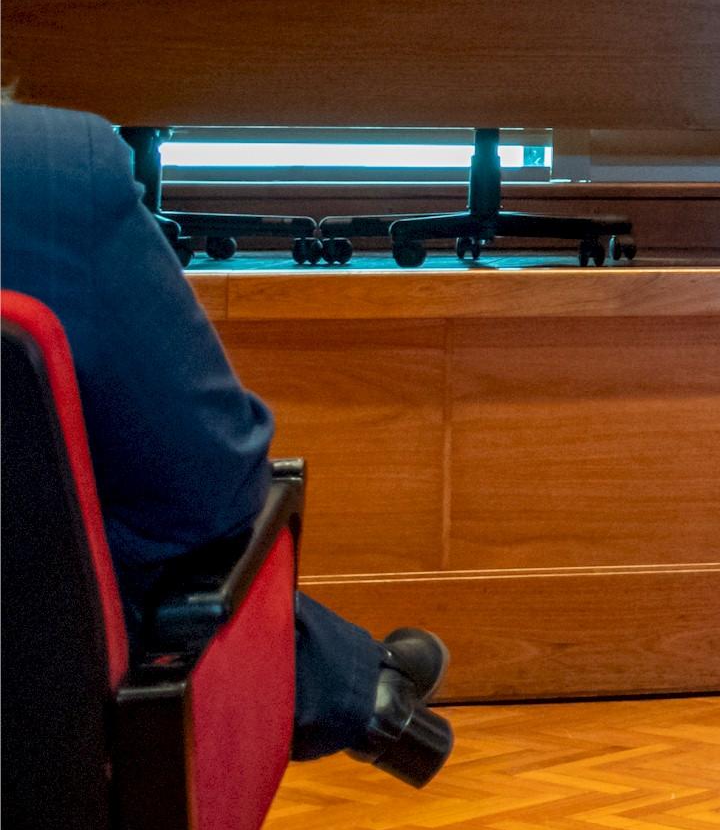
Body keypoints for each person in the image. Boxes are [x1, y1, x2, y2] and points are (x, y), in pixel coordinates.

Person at [0, 104, 454, 785]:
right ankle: (351, 683)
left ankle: (359, 683)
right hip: (40, 737)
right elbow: (210, 491)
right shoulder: (42, 169)